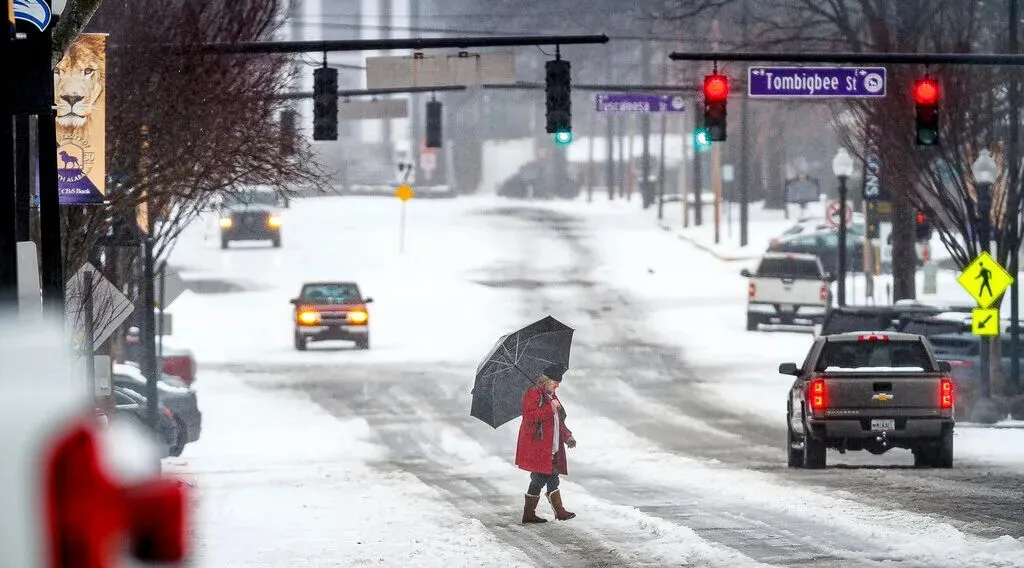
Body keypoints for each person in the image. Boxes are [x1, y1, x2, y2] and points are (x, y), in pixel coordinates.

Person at [515, 363, 576, 524]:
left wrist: (567, 437)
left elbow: (559, 421)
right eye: (555, 382)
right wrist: (550, 409)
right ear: (546, 381)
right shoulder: (534, 393)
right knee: (541, 478)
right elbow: (530, 417)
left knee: (547, 477)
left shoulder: (551, 395)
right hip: (538, 447)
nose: (557, 385)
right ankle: (556, 511)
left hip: (553, 446)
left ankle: (534, 513)